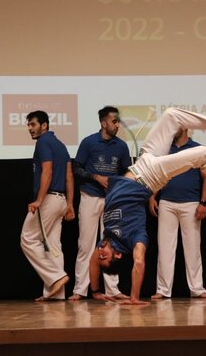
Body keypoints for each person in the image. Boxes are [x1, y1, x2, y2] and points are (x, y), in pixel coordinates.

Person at [89, 107, 206, 305]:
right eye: (105, 257)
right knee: (203, 154)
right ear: (117, 254)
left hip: (145, 159)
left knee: (171, 114)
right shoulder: (134, 238)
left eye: (100, 257)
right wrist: (134, 298)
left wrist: (96, 290)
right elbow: (139, 262)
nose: (100, 253)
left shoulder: (106, 239)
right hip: (150, 176)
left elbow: (93, 262)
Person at [69, 106, 132, 301]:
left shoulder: (122, 146)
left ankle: (112, 289)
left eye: (118, 121)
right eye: (114, 122)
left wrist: (118, 185)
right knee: (85, 244)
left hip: (112, 200)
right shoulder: (89, 142)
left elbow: (127, 172)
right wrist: (96, 177)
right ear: (104, 123)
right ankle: (80, 290)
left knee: (111, 246)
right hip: (89, 197)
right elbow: (76, 168)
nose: (117, 125)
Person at [149, 128, 206, 300]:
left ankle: (197, 289)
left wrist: (203, 203)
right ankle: (162, 290)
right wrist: (152, 196)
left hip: (191, 203)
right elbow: (158, 175)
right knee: (165, 248)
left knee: (193, 248)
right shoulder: (165, 149)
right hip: (167, 203)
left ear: (185, 127)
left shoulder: (197, 149)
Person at [20, 110, 75, 301]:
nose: (30, 129)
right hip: (60, 201)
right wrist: (69, 204)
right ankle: (57, 294)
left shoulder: (43, 142)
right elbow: (69, 176)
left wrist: (39, 200)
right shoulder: (60, 145)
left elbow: (47, 171)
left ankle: (57, 277)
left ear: (44, 126)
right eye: (28, 125)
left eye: (33, 124)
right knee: (53, 245)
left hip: (49, 200)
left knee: (27, 239)